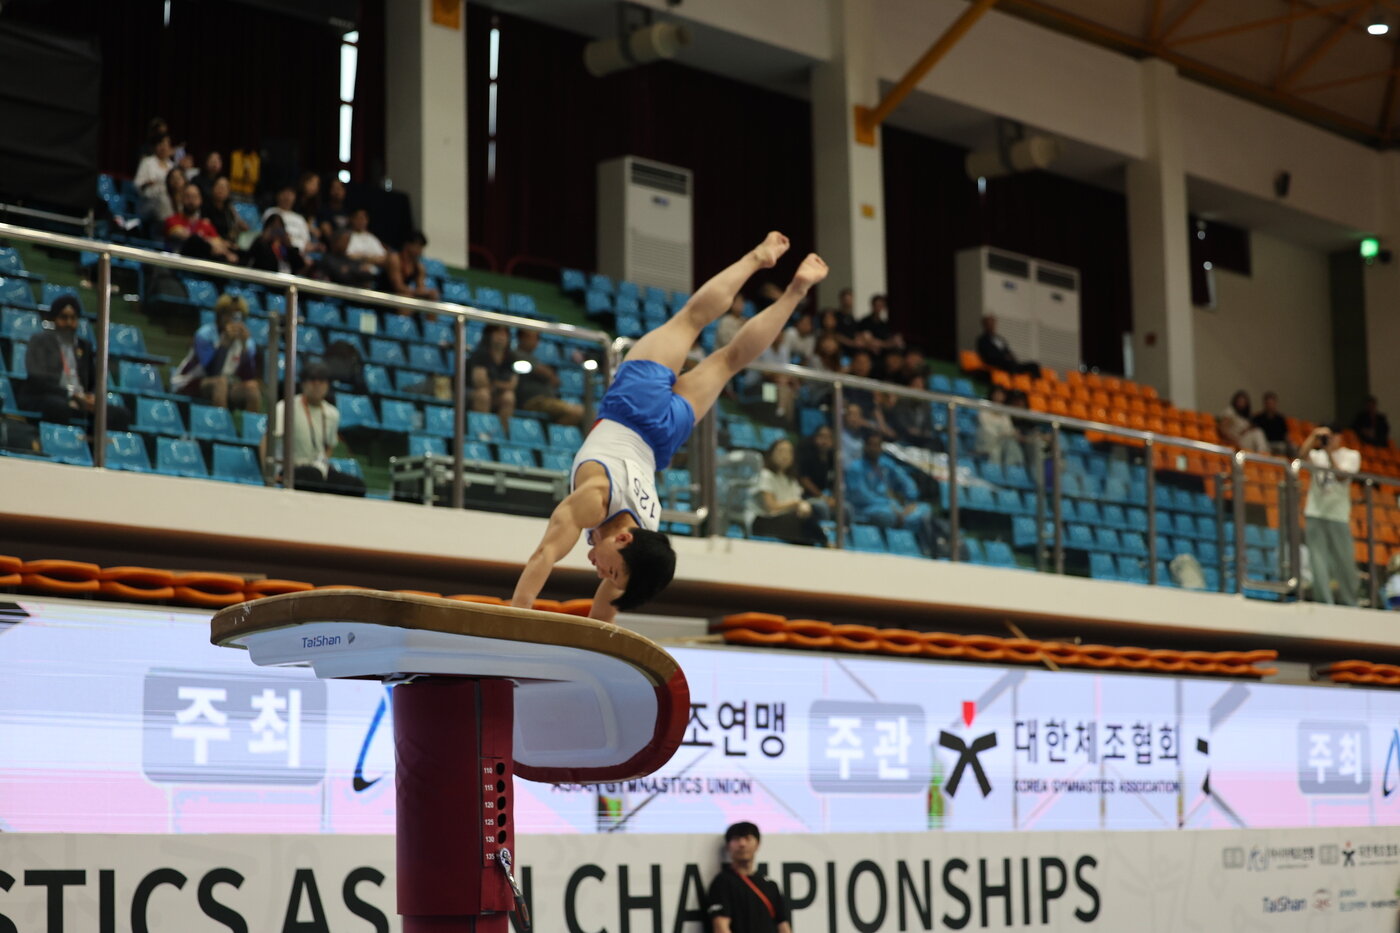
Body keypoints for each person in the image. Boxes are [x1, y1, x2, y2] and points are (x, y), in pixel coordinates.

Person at [509, 233, 827, 619]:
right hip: (633, 409)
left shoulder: (643, 538)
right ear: (624, 539)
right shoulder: (596, 501)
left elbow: (604, 612)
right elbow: (545, 554)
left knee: (726, 357)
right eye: (608, 570)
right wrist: (517, 616)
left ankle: (791, 286)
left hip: (664, 440)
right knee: (697, 325)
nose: (600, 572)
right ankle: (771, 271)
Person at [20, 296, 131, 430]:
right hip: (46, 396)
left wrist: (92, 397)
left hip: (80, 401)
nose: (69, 322)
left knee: (121, 414)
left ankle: (94, 449)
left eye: (73, 318)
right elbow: (37, 378)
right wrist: (70, 396)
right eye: (64, 317)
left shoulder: (84, 346)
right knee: (58, 406)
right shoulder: (40, 341)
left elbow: (94, 380)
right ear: (54, 319)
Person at [261, 361, 366, 497]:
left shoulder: (332, 413)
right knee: (312, 475)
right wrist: (269, 475)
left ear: (327, 385)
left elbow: (329, 446)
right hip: (291, 469)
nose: (317, 384)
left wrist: (321, 461)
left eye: (322, 380)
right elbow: (266, 441)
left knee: (356, 486)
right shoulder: (286, 407)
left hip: (317, 469)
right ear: (303, 384)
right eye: (312, 380)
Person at [845, 429, 936, 553]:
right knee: (885, 516)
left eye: (878, 445)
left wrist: (910, 501)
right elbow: (860, 496)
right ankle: (891, 548)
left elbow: (906, 481)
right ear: (865, 446)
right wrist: (889, 504)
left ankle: (928, 550)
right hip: (869, 509)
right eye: (871, 445)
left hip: (895, 508)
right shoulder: (855, 468)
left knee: (925, 510)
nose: (874, 448)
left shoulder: (886, 464)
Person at [1299, 425, 1360, 606]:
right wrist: (1313, 437)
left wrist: (1329, 453)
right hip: (1315, 512)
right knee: (1317, 561)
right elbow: (1300, 458)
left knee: (1345, 561)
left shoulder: (1351, 455)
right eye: (1327, 437)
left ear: (1340, 437)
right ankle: (1324, 601)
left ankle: (1351, 601)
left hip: (1338, 515)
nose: (1330, 439)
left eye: (1332, 436)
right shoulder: (1317, 455)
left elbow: (1341, 476)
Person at [172, 294, 262, 411]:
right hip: (190, 382)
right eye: (228, 314)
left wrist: (244, 347)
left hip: (223, 384)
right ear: (220, 315)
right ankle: (221, 426)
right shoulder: (205, 334)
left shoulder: (247, 342)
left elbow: (248, 377)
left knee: (252, 388)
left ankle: (252, 428)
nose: (231, 319)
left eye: (236, 316)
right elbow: (211, 371)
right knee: (220, 383)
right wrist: (224, 345)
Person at [705, 822, 791, 933]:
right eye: (736, 839)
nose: (742, 844)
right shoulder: (722, 883)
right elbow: (721, 927)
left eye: (748, 838)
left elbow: (783, 926)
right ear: (728, 846)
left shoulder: (770, 886)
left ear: (757, 844)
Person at [751, 438, 828, 546]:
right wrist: (796, 504)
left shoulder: (791, 480)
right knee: (803, 523)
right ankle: (826, 543)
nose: (785, 455)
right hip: (765, 521)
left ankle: (821, 545)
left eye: (789, 452)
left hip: (788, 523)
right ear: (771, 454)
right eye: (781, 451)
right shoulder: (765, 475)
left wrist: (804, 507)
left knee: (810, 515)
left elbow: (799, 505)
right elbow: (771, 507)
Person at [514, 328, 584, 425]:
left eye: (537, 338)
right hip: (533, 401)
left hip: (547, 401)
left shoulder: (534, 358)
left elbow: (556, 381)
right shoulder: (515, 355)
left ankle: (551, 433)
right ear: (521, 338)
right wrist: (548, 374)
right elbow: (545, 373)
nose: (535, 341)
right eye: (531, 337)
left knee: (583, 413)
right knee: (578, 412)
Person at [164, 185, 238, 263]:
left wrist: (226, 249)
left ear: (200, 200)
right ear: (182, 198)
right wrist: (209, 242)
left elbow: (218, 244)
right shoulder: (172, 220)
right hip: (180, 262)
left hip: (206, 264)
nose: (191, 200)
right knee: (195, 240)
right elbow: (181, 234)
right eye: (188, 196)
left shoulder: (205, 224)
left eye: (195, 197)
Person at [469, 323, 519, 429]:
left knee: (509, 397)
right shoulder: (480, 354)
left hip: (496, 394)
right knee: (483, 394)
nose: (501, 336)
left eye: (504, 333)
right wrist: (502, 385)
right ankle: (481, 430)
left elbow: (513, 385)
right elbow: (480, 382)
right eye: (497, 332)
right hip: (471, 393)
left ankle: (503, 434)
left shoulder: (511, 357)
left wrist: (494, 384)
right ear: (489, 335)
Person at [975, 314, 1040, 377]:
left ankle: (1036, 385)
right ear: (985, 325)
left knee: (1034, 365)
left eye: (993, 323)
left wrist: (1010, 356)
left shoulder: (999, 339)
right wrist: (1003, 357)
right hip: (997, 364)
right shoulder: (982, 340)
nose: (992, 326)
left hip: (1010, 363)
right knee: (1008, 363)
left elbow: (1007, 350)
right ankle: (1013, 383)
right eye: (989, 324)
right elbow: (988, 355)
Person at [977, 385, 1025, 468]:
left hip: (1003, 441)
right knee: (998, 449)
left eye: (1001, 394)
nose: (999, 396)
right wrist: (1002, 434)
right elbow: (985, 427)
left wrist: (1010, 433)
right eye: (997, 393)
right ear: (992, 394)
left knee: (1012, 445)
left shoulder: (1004, 412)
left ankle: (1012, 470)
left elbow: (1009, 429)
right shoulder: (984, 407)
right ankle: (997, 471)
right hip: (987, 440)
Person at [246, 213, 310, 276]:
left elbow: (300, 265)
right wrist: (263, 241)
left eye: (279, 228)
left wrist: (289, 246)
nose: (276, 232)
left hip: (286, 281)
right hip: (265, 280)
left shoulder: (286, 247)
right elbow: (251, 258)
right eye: (273, 228)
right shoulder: (260, 243)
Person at [385, 230, 440, 301]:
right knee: (406, 297)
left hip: (404, 295)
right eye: (418, 246)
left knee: (433, 297)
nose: (420, 251)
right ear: (408, 244)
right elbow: (398, 286)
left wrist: (428, 292)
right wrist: (417, 292)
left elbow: (421, 288)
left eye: (421, 248)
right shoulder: (395, 259)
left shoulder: (419, 267)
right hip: (387, 295)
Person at [134, 133, 174, 227]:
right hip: (147, 203)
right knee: (162, 200)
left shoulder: (172, 166)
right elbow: (137, 184)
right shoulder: (147, 162)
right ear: (155, 146)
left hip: (168, 204)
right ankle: (170, 226)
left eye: (166, 144)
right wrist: (147, 184)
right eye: (161, 144)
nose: (164, 148)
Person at [262, 185, 317, 252]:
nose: (287, 197)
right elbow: (269, 235)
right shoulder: (271, 212)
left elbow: (307, 242)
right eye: (285, 193)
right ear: (278, 195)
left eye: (290, 194)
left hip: (300, 253)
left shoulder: (299, 218)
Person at [797, 423, 837, 510]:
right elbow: (804, 480)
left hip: (827, 497)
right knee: (822, 507)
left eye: (828, 437)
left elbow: (836, 482)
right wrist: (822, 497)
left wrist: (833, 498)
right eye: (822, 436)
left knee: (845, 509)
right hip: (808, 496)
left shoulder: (833, 458)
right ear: (815, 438)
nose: (825, 441)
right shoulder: (807, 455)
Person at [1217, 390, 1268, 454]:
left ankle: (1263, 456)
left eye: (1243, 402)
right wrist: (1232, 440)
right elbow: (1222, 428)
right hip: (1235, 440)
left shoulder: (1245, 416)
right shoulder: (1230, 411)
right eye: (1239, 401)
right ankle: (1263, 457)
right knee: (1258, 433)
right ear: (1235, 402)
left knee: (1258, 433)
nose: (1241, 404)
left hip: (1244, 439)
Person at [203, 176, 248, 244]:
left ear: (228, 192)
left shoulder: (229, 209)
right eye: (218, 187)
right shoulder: (205, 206)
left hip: (227, 242)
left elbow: (241, 226)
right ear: (213, 188)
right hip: (211, 242)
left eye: (224, 188)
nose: (220, 190)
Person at [1250, 391, 1291, 457]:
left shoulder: (1280, 419)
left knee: (1287, 447)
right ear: (1265, 404)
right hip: (1265, 444)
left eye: (1271, 403)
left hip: (1279, 444)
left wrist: (1290, 443)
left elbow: (1286, 435)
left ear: (1275, 403)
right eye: (1268, 403)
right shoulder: (1258, 418)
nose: (1270, 405)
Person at [317, 177, 351, 244]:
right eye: (334, 188)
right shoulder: (324, 210)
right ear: (329, 190)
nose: (337, 192)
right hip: (330, 249)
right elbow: (328, 234)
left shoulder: (347, 211)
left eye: (340, 188)